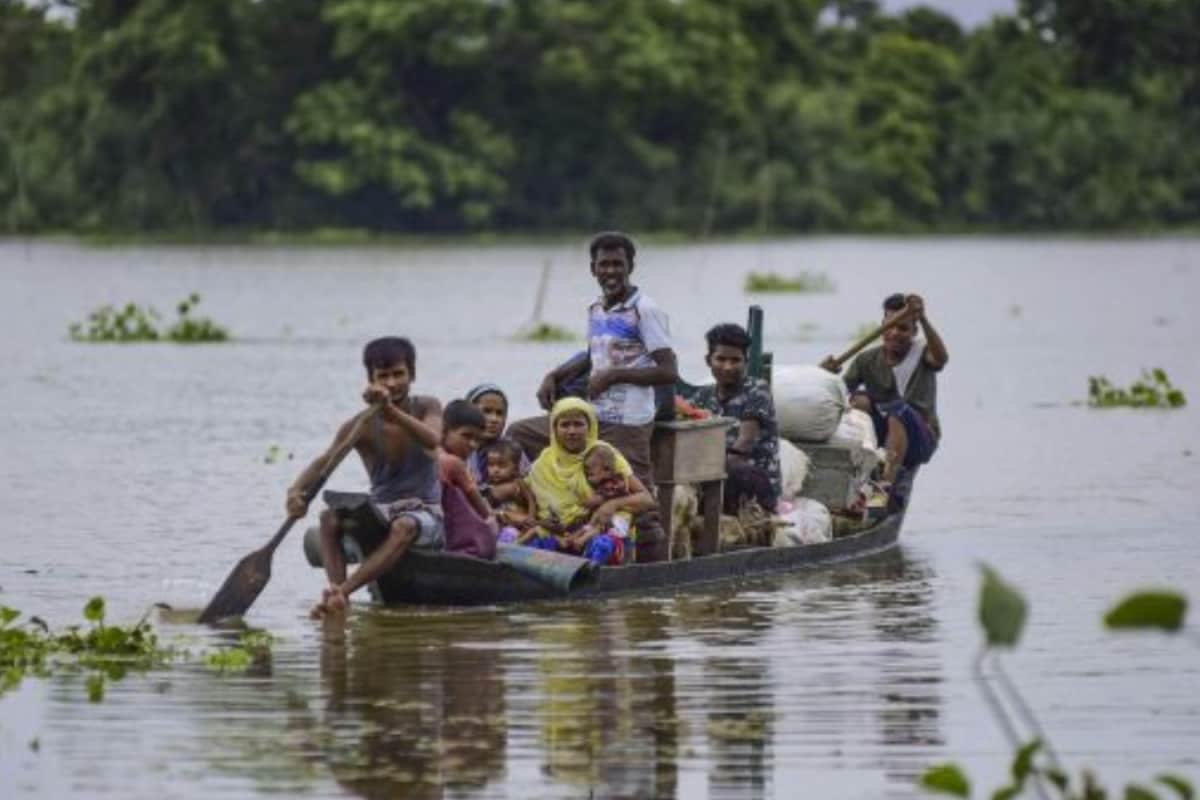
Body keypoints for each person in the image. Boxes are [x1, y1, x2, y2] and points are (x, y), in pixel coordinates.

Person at [508, 231, 678, 561]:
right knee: (518, 435)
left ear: (631, 266)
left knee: (641, 507)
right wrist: (555, 374)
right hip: (592, 418)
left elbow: (668, 370)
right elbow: (591, 355)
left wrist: (616, 375)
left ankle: (655, 582)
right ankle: (550, 526)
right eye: (604, 265)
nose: (611, 272)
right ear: (593, 269)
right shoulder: (597, 308)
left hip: (628, 420)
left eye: (618, 264)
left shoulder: (644, 310)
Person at [291, 337, 443, 617]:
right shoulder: (360, 425)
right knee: (329, 517)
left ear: (412, 374)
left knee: (404, 526)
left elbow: (433, 439)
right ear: (371, 381)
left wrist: (392, 411)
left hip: (425, 513)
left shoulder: (427, 407)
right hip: (381, 510)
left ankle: (342, 593)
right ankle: (337, 596)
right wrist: (296, 492)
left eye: (399, 374)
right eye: (383, 376)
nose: (393, 383)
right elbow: (326, 461)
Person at [820, 293, 948, 504]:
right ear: (882, 326)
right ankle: (862, 472)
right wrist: (825, 376)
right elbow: (839, 395)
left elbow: (941, 358)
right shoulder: (866, 360)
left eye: (903, 328)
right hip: (883, 437)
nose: (895, 333)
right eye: (890, 326)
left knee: (896, 410)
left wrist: (923, 318)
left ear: (915, 331)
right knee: (858, 401)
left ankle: (884, 487)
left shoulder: (923, 352)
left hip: (920, 437)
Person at [523, 398, 654, 560]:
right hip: (559, 535)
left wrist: (611, 505)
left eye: (578, 424)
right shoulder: (543, 463)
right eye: (564, 425)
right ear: (554, 429)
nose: (572, 431)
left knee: (601, 546)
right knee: (532, 546)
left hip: (599, 531)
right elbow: (526, 492)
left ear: (590, 426)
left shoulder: (604, 454)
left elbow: (646, 499)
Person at [684, 323, 782, 514]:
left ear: (745, 361)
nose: (727, 367)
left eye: (735, 360)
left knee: (735, 470)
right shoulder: (702, 397)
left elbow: (745, 441)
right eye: (720, 359)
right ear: (708, 360)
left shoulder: (757, 390)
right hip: (714, 478)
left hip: (753, 484)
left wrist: (706, 471)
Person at [572, 442, 655, 565]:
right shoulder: (603, 482)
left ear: (607, 470)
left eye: (591, 473)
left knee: (601, 529)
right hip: (607, 521)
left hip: (619, 520)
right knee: (593, 525)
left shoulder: (615, 482)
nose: (588, 477)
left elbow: (602, 498)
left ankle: (589, 558)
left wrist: (589, 502)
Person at [438, 400, 498, 557]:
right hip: (452, 539)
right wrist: (492, 521)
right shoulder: (453, 462)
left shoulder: (430, 454)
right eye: (466, 436)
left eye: (478, 440)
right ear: (444, 431)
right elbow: (481, 508)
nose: (472, 445)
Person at [463, 383, 530, 485]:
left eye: (499, 413)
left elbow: (527, 482)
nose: (494, 419)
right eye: (486, 411)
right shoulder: (461, 449)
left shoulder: (512, 449)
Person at [481, 439, 537, 545]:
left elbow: (531, 499)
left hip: (515, 526)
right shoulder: (489, 485)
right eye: (491, 465)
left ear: (515, 468)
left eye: (502, 466)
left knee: (509, 534)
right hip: (500, 524)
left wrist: (531, 517)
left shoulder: (517, 483)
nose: (495, 470)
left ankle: (521, 540)